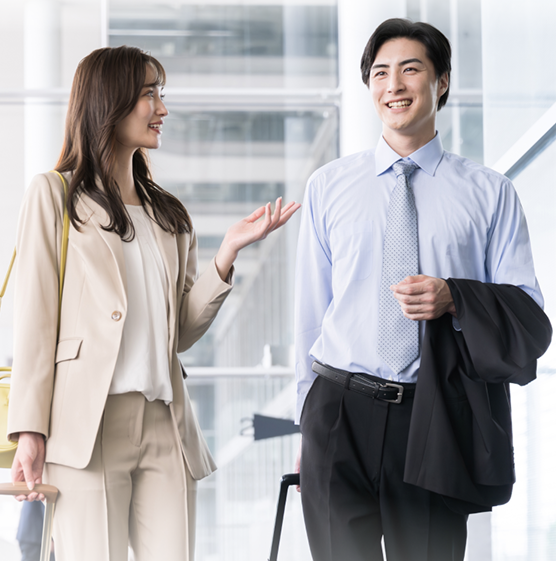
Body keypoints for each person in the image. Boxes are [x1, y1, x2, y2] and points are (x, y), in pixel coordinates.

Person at [7, 45, 300, 561]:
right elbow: (35, 320)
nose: (161, 108)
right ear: (109, 101)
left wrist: (226, 253)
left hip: (166, 425)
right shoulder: (54, 196)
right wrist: (29, 429)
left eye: (159, 94)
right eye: (149, 94)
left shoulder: (170, 215)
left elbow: (180, 332)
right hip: (87, 428)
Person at [294, 18, 550, 561]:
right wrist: (306, 419)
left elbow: (528, 315)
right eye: (381, 73)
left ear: (442, 82)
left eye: (411, 69)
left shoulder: (489, 193)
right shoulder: (328, 187)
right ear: (369, 88)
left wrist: (454, 297)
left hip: (434, 415)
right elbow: (310, 316)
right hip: (338, 413)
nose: (394, 85)